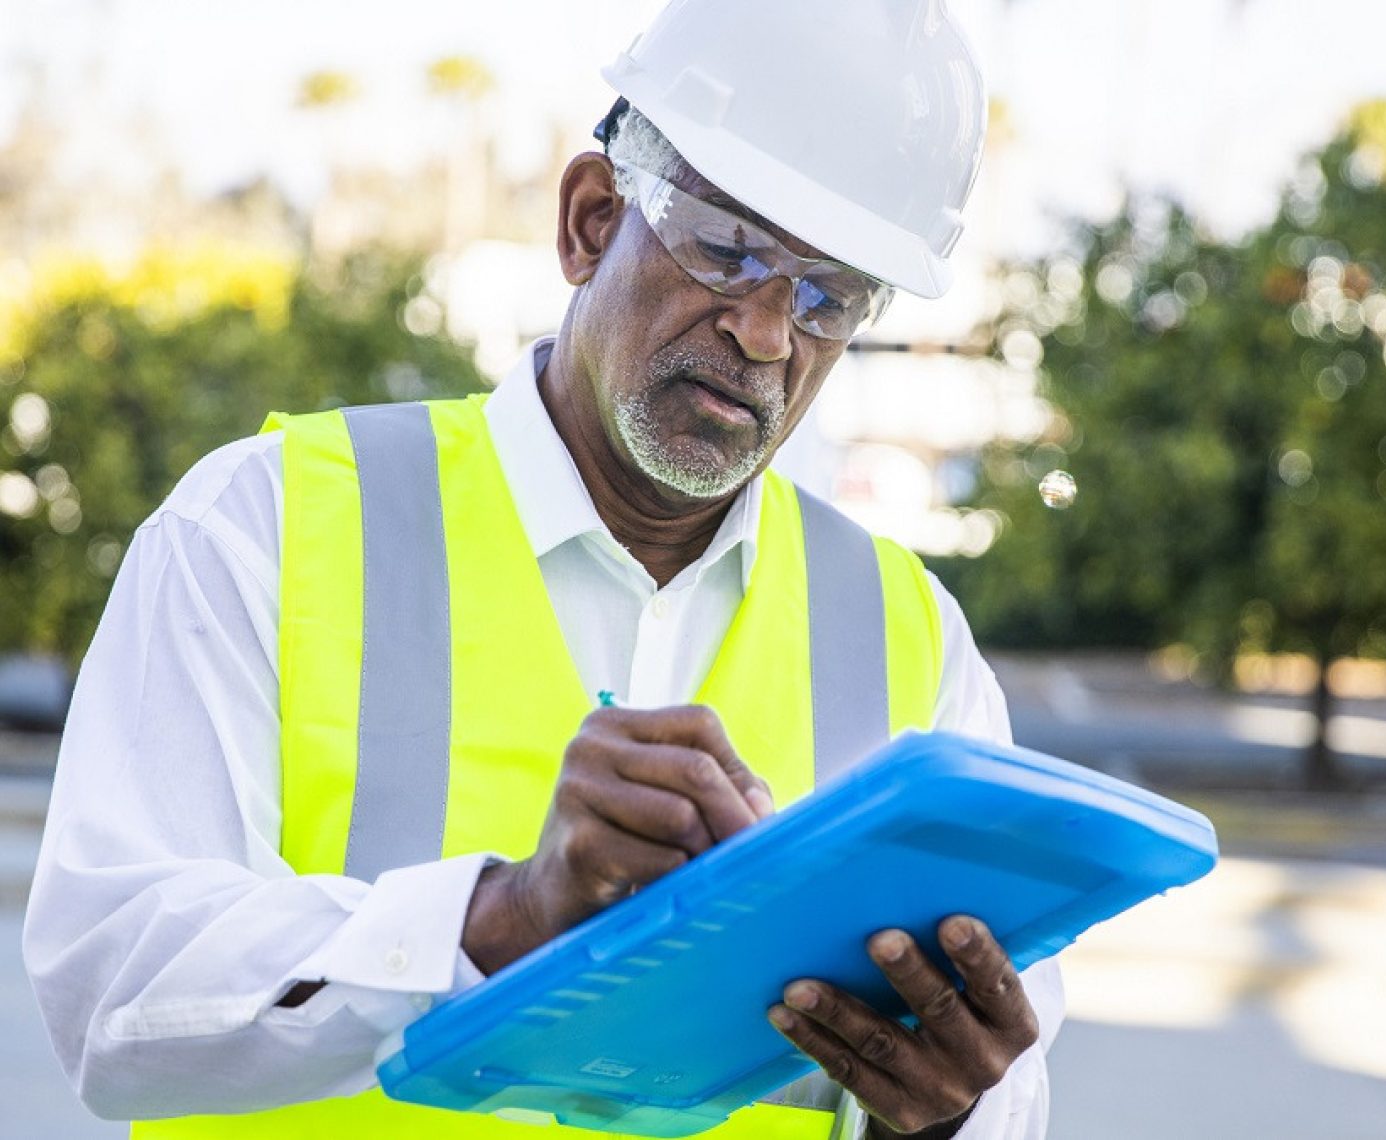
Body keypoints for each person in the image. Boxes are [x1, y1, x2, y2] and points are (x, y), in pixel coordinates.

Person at [24, 1, 1065, 1137]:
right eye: (728, 249)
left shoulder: (909, 639)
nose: (766, 334)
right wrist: (496, 920)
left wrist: (946, 1112)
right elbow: (109, 995)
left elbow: (1009, 1091)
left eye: (828, 298)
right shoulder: (265, 525)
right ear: (589, 219)